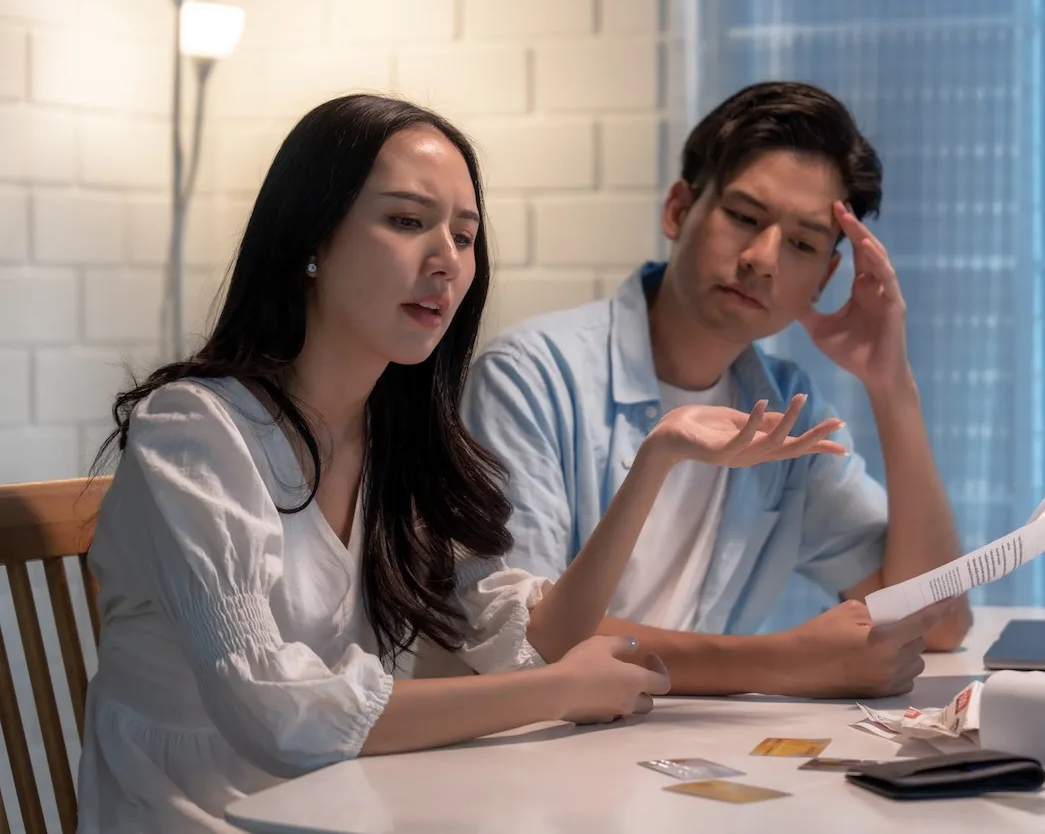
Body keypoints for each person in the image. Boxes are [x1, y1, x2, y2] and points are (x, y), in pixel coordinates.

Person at [76, 94, 842, 833]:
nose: (447, 258)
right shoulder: (195, 430)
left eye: (467, 236)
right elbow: (273, 710)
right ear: (311, 239)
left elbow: (537, 638)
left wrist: (658, 458)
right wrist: (555, 691)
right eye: (408, 221)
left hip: (340, 813)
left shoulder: (399, 444)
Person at [428, 81, 971, 699]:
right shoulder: (528, 377)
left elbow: (939, 622)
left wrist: (892, 386)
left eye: (802, 243)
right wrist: (783, 663)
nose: (763, 259)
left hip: (669, 757)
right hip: (514, 760)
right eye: (744, 216)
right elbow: (524, 641)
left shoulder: (786, 408)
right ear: (679, 210)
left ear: (823, 278)